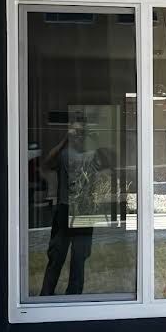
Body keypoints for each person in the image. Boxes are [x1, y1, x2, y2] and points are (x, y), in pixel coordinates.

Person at [39, 115, 113, 295]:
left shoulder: (93, 154)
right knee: (56, 257)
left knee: (79, 260)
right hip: (64, 211)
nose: (79, 135)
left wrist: (96, 140)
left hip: (84, 212)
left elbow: (110, 168)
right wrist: (65, 139)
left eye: (82, 132)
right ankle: (45, 296)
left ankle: (73, 298)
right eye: (76, 131)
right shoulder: (64, 153)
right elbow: (46, 164)